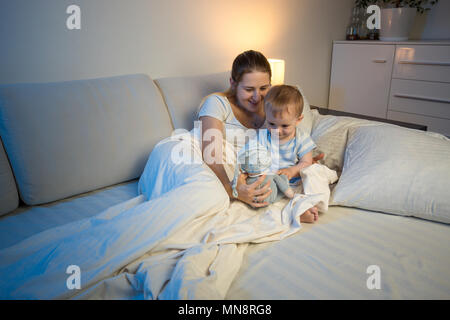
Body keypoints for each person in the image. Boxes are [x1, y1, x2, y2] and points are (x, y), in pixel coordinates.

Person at [197, 50, 320, 222]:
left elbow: (295, 134)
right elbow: (211, 154)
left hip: (264, 175)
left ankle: (293, 208)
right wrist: (233, 190)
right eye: (249, 89)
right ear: (233, 83)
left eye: (264, 88)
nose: (257, 97)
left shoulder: (273, 108)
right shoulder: (217, 103)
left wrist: (304, 161)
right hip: (231, 173)